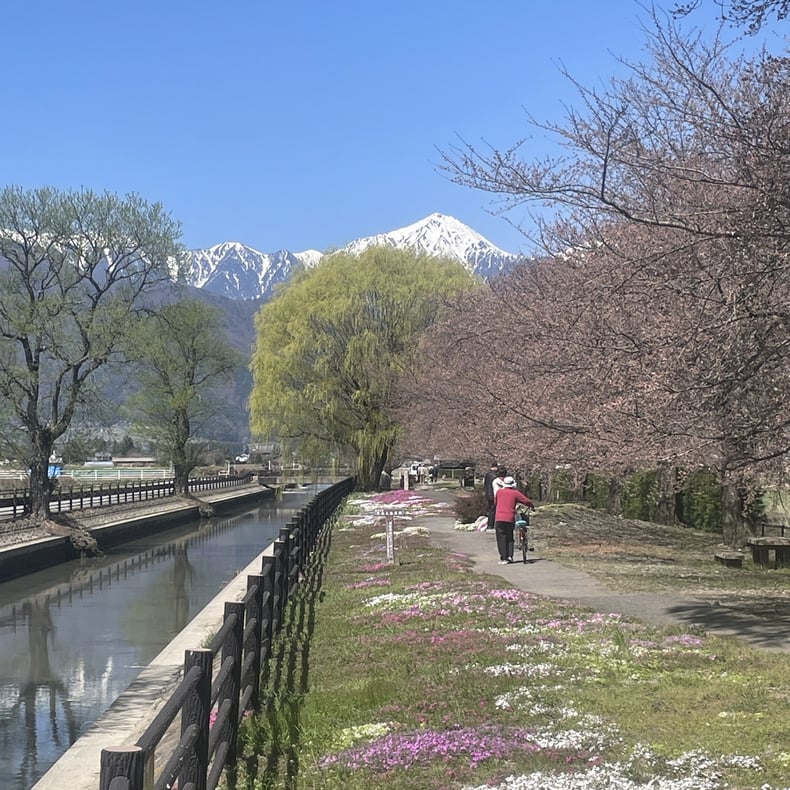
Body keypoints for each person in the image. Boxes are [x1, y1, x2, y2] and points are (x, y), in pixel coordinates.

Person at [493, 476, 535, 564]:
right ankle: (510, 556)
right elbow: (526, 501)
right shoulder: (515, 493)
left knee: (501, 538)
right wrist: (531, 505)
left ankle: (504, 558)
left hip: (499, 517)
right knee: (509, 537)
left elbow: (495, 503)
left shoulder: (499, 492)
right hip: (509, 518)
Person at [483, 462, 502, 531]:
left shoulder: (488, 474)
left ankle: (491, 525)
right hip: (492, 495)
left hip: (489, 494)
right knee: (492, 510)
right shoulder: (492, 475)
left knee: (492, 510)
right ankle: (490, 525)